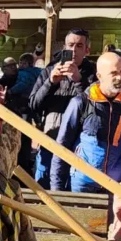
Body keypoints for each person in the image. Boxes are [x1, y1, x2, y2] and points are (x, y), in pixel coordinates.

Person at [50, 51, 121, 192]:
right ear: (99, 76)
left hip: (116, 184)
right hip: (82, 183)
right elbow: (62, 146)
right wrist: (57, 189)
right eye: (113, 73)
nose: (119, 77)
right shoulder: (81, 103)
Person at [29, 29, 96, 187]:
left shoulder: (94, 74)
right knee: (43, 188)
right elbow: (33, 105)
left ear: (87, 50)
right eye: (70, 45)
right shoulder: (49, 70)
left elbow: (94, 109)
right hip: (50, 140)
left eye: (79, 46)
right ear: (64, 48)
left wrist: (79, 81)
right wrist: (50, 83)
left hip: (79, 146)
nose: (74, 50)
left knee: (72, 190)